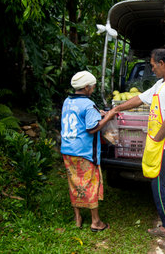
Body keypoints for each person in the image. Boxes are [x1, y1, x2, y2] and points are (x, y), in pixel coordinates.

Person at [114, 48, 165, 250]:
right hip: (159, 144)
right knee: (160, 187)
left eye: (154, 65)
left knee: (163, 189)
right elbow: (139, 99)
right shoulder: (160, 84)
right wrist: (117, 108)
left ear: (163, 63)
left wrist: (156, 139)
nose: (152, 68)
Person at [60, 71, 117, 232]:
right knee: (90, 184)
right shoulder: (88, 104)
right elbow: (93, 128)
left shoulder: (67, 101)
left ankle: (77, 218)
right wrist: (109, 115)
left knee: (74, 183)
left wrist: (98, 114)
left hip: (68, 149)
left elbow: (78, 117)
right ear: (86, 88)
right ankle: (96, 221)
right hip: (84, 152)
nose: (93, 89)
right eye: (92, 87)